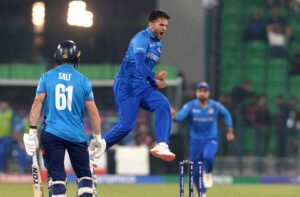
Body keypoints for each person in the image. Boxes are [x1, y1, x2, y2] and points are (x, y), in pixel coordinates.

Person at [23, 40, 104, 197]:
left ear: (57, 57)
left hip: (51, 134)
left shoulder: (46, 77)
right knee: (85, 178)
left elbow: (37, 103)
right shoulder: (83, 80)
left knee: (57, 178)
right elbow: (93, 112)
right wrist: (98, 137)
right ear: (76, 58)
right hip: (76, 135)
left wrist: (32, 131)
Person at [101, 10, 175, 161]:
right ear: (151, 24)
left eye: (166, 25)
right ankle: (93, 151)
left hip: (142, 86)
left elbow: (143, 73)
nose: (164, 28)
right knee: (127, 126)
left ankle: (161, 144)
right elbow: (140, 66)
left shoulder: (158, 45)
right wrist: (155, 76)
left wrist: (155, 83)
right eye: (161, 24)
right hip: (126, 86)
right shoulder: (141, 39)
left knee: (163, 104)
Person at [171, 82, 235, 196]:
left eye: (204, 91)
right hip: (195, 142)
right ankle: (202, 193)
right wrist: (173, 116)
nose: (202, 93)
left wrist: (229, 130)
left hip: (211, 139)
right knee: (195, 172)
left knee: (208, 156)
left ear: (208, 93)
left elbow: (226, 114)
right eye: (200, 91)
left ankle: (208, 172)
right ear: (196, 93)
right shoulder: (190, 106)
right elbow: (179, 118)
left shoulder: (215, 106)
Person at [0, 99, 14, 172]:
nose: (3, 106)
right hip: (0, 137)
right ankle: (2, 170)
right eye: (2, 104)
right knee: (1, 153)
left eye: (5, 104)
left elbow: (14, 124)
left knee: (7, 153)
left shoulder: (10, 112)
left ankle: (6, 169)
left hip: (7, 137)